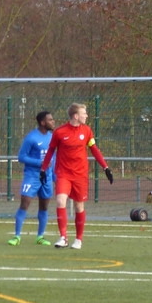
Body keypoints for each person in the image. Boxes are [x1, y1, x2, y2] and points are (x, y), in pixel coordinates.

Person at [40, 103, 113, 250]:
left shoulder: (87, 131)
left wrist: (105, 167)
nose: (86, 116)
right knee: (60, 201)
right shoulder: (60, 132)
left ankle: (78, 239)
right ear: (76, 116)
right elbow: (51, 151)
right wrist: (43, 169)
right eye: (84, 113)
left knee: (79, 206)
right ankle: (63, 237)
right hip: (63, 174)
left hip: (80, 175)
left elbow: (94, 149)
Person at [8, 111, 56, 246]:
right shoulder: (31, 138)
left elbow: (54, 157)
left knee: (44, 206)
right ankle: (17, 236)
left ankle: (40, 236)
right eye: (50, 120)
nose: (53, 122)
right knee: (25, 204)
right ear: (43, 122)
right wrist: (39, 163)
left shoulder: (52, 137)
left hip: (46, 177)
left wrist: (55, 176)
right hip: (32, 176)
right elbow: (21, 157)